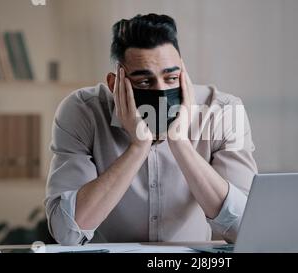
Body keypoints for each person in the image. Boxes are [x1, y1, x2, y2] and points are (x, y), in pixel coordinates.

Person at [44, 13, 257, 246]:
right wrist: (138, 146)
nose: (162, 91)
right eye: (144, 82)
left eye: (171, 77)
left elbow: (245, 229)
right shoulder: (81, 111)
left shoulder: (225, 111)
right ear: (115, 83)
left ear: (183, 75)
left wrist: (179, 142)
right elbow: (67, 232)